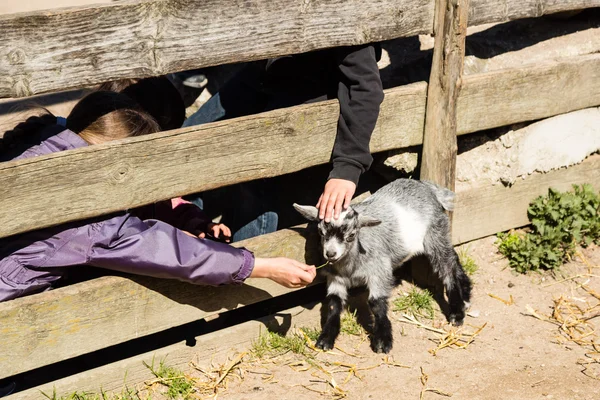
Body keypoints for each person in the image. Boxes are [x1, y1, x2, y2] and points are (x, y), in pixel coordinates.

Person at [0, 91, 316, 303]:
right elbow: (169, 252)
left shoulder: (40, 140)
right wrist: (260, 266)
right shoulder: (89, 218)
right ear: (119, 165)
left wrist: (186, 215)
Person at [182, 44, 384, 236]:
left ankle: (249, 260)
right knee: (187, 142)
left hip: (310, 86)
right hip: (262, 74)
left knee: (256, 171)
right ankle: (192, 231)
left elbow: (365, 87)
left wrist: (348, 168)